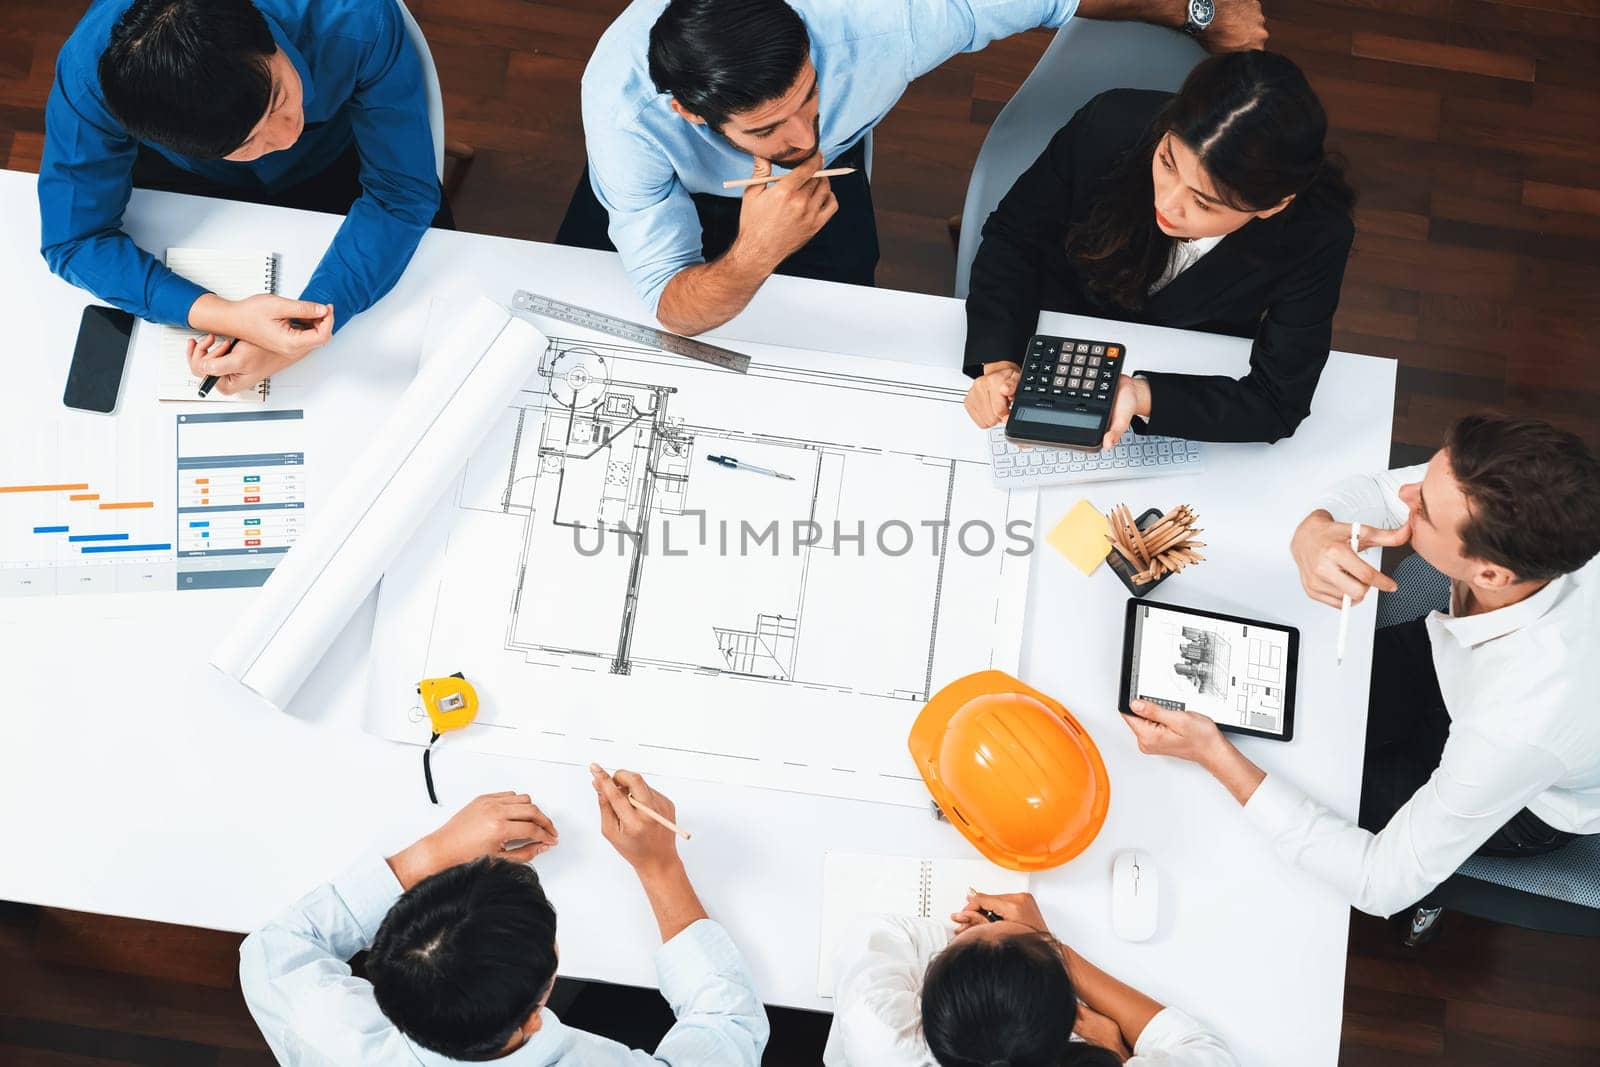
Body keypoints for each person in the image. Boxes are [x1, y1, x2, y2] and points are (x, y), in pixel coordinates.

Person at [1123, 414, 1600, 920]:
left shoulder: (1517, 723)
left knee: (1297, 780)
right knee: (1286, 708)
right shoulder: (1522, 509)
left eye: (1425, 511)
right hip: (1454, 658)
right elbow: (1378, 489)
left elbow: (1380, 884)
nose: (1408, 494)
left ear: (1489, 573)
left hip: (1529, 793)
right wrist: (1313, 531)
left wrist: (1213, 754)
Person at [561, 0, 1268, 337]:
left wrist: (1199, 12)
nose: (806, 135)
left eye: (811, 96)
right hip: (664, 198)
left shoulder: (886, 18)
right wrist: (752, 255)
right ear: (693, 115)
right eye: (770, 128)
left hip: (829, 195)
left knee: (836, 335)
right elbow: (667, 302)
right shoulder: (624, 114)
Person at [39, 0, 446, 396]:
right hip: (197, 182)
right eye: (247, 141)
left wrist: (302, 332)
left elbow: (400, 193)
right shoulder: (88, 76)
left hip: (341, 154)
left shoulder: (355, 15)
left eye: (280, 96)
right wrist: (225, 315)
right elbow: (74, 239)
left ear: (265, 35)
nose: (287, 136)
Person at [239, 769, 769, 1064]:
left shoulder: (340, 1041)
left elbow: (273, 951)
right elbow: (729, 1028)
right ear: (537, 1008)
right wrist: (660, 868)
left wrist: (432, 851)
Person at [963, 50, 1355, 446]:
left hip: (1191, 357)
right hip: (1058, 322)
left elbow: (1277, 400)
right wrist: (1000, 362)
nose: (1166, 203)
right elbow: (1014, 238)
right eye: (1168, 163)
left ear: (1274, 205)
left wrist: (1140, 394)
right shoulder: (1110, 123)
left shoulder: (1316, 234)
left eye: (1203, 203)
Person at [825, 890, 1236, 1065]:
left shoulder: (880, 1030)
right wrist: (1050, 948)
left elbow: (876, 931)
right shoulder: (1100, 1048)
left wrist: (1005, 948)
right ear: (1073, 1023)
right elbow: (1206, 1052)